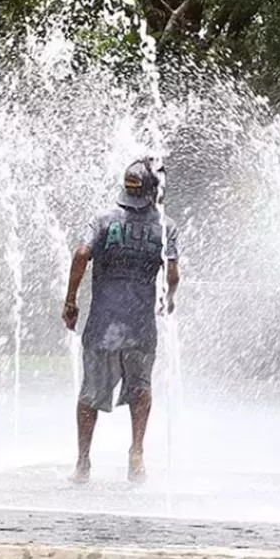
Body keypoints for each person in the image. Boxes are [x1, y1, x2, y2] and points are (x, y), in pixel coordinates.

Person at [63, 158, 179, 485]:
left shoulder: (102, 220)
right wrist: (168, 301)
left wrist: (70, 300)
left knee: (90, 394)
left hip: (102, 325)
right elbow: (173, 272)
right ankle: (137, 453)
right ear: (152, 192)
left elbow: (81, 254)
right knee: (140, 387)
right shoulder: (165, 226)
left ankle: (83, 462)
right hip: (141, 326)